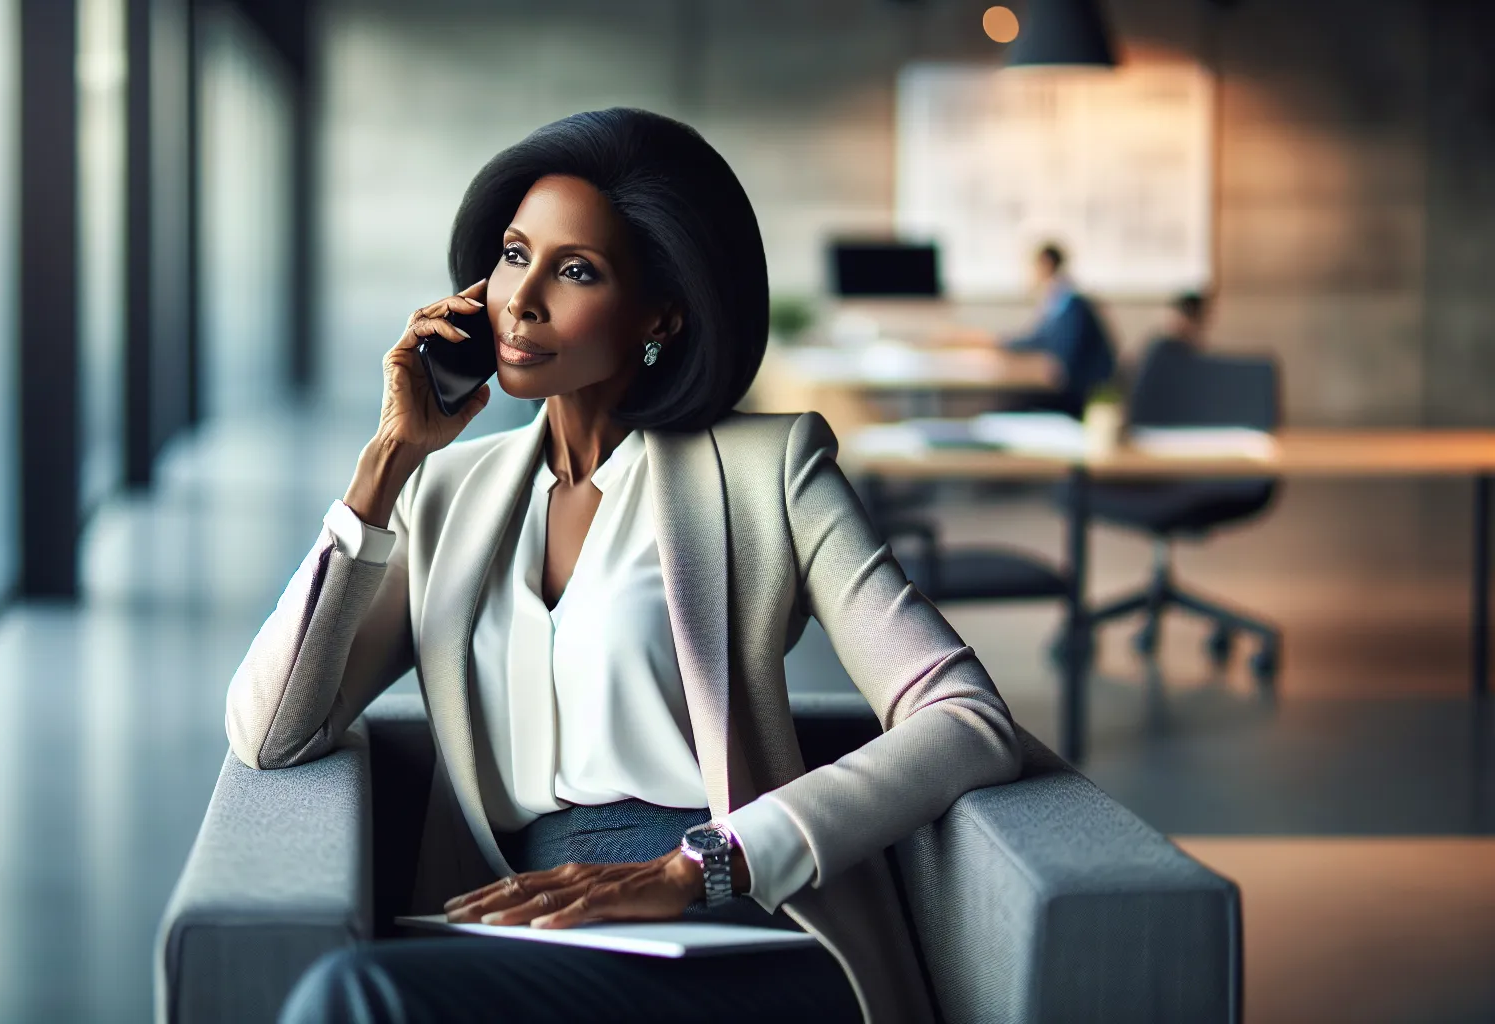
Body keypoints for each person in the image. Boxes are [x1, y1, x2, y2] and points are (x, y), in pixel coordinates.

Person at [226, 108, 1021, 1024]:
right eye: (515, 255)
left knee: (353, 995)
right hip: (525, 927)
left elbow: (967, 719)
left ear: (661, 313)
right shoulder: (447, 493)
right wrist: (386, 463)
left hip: (725, 927)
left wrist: (699, 866)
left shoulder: (770, 471)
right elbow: (272, 731)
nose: (521, 300)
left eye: (575, 271)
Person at [937, 243, 1118, 417]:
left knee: (1002, 411)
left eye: (1033, 266)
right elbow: (1037, 339)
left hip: (1078, 394)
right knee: (1002, 408)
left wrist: (997, 342)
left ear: (1045, 264)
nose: (1030, 273)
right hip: (1067, 388)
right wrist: (997, 341)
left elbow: (1056, 354)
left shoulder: (1071, 303)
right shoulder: (1059, 299)